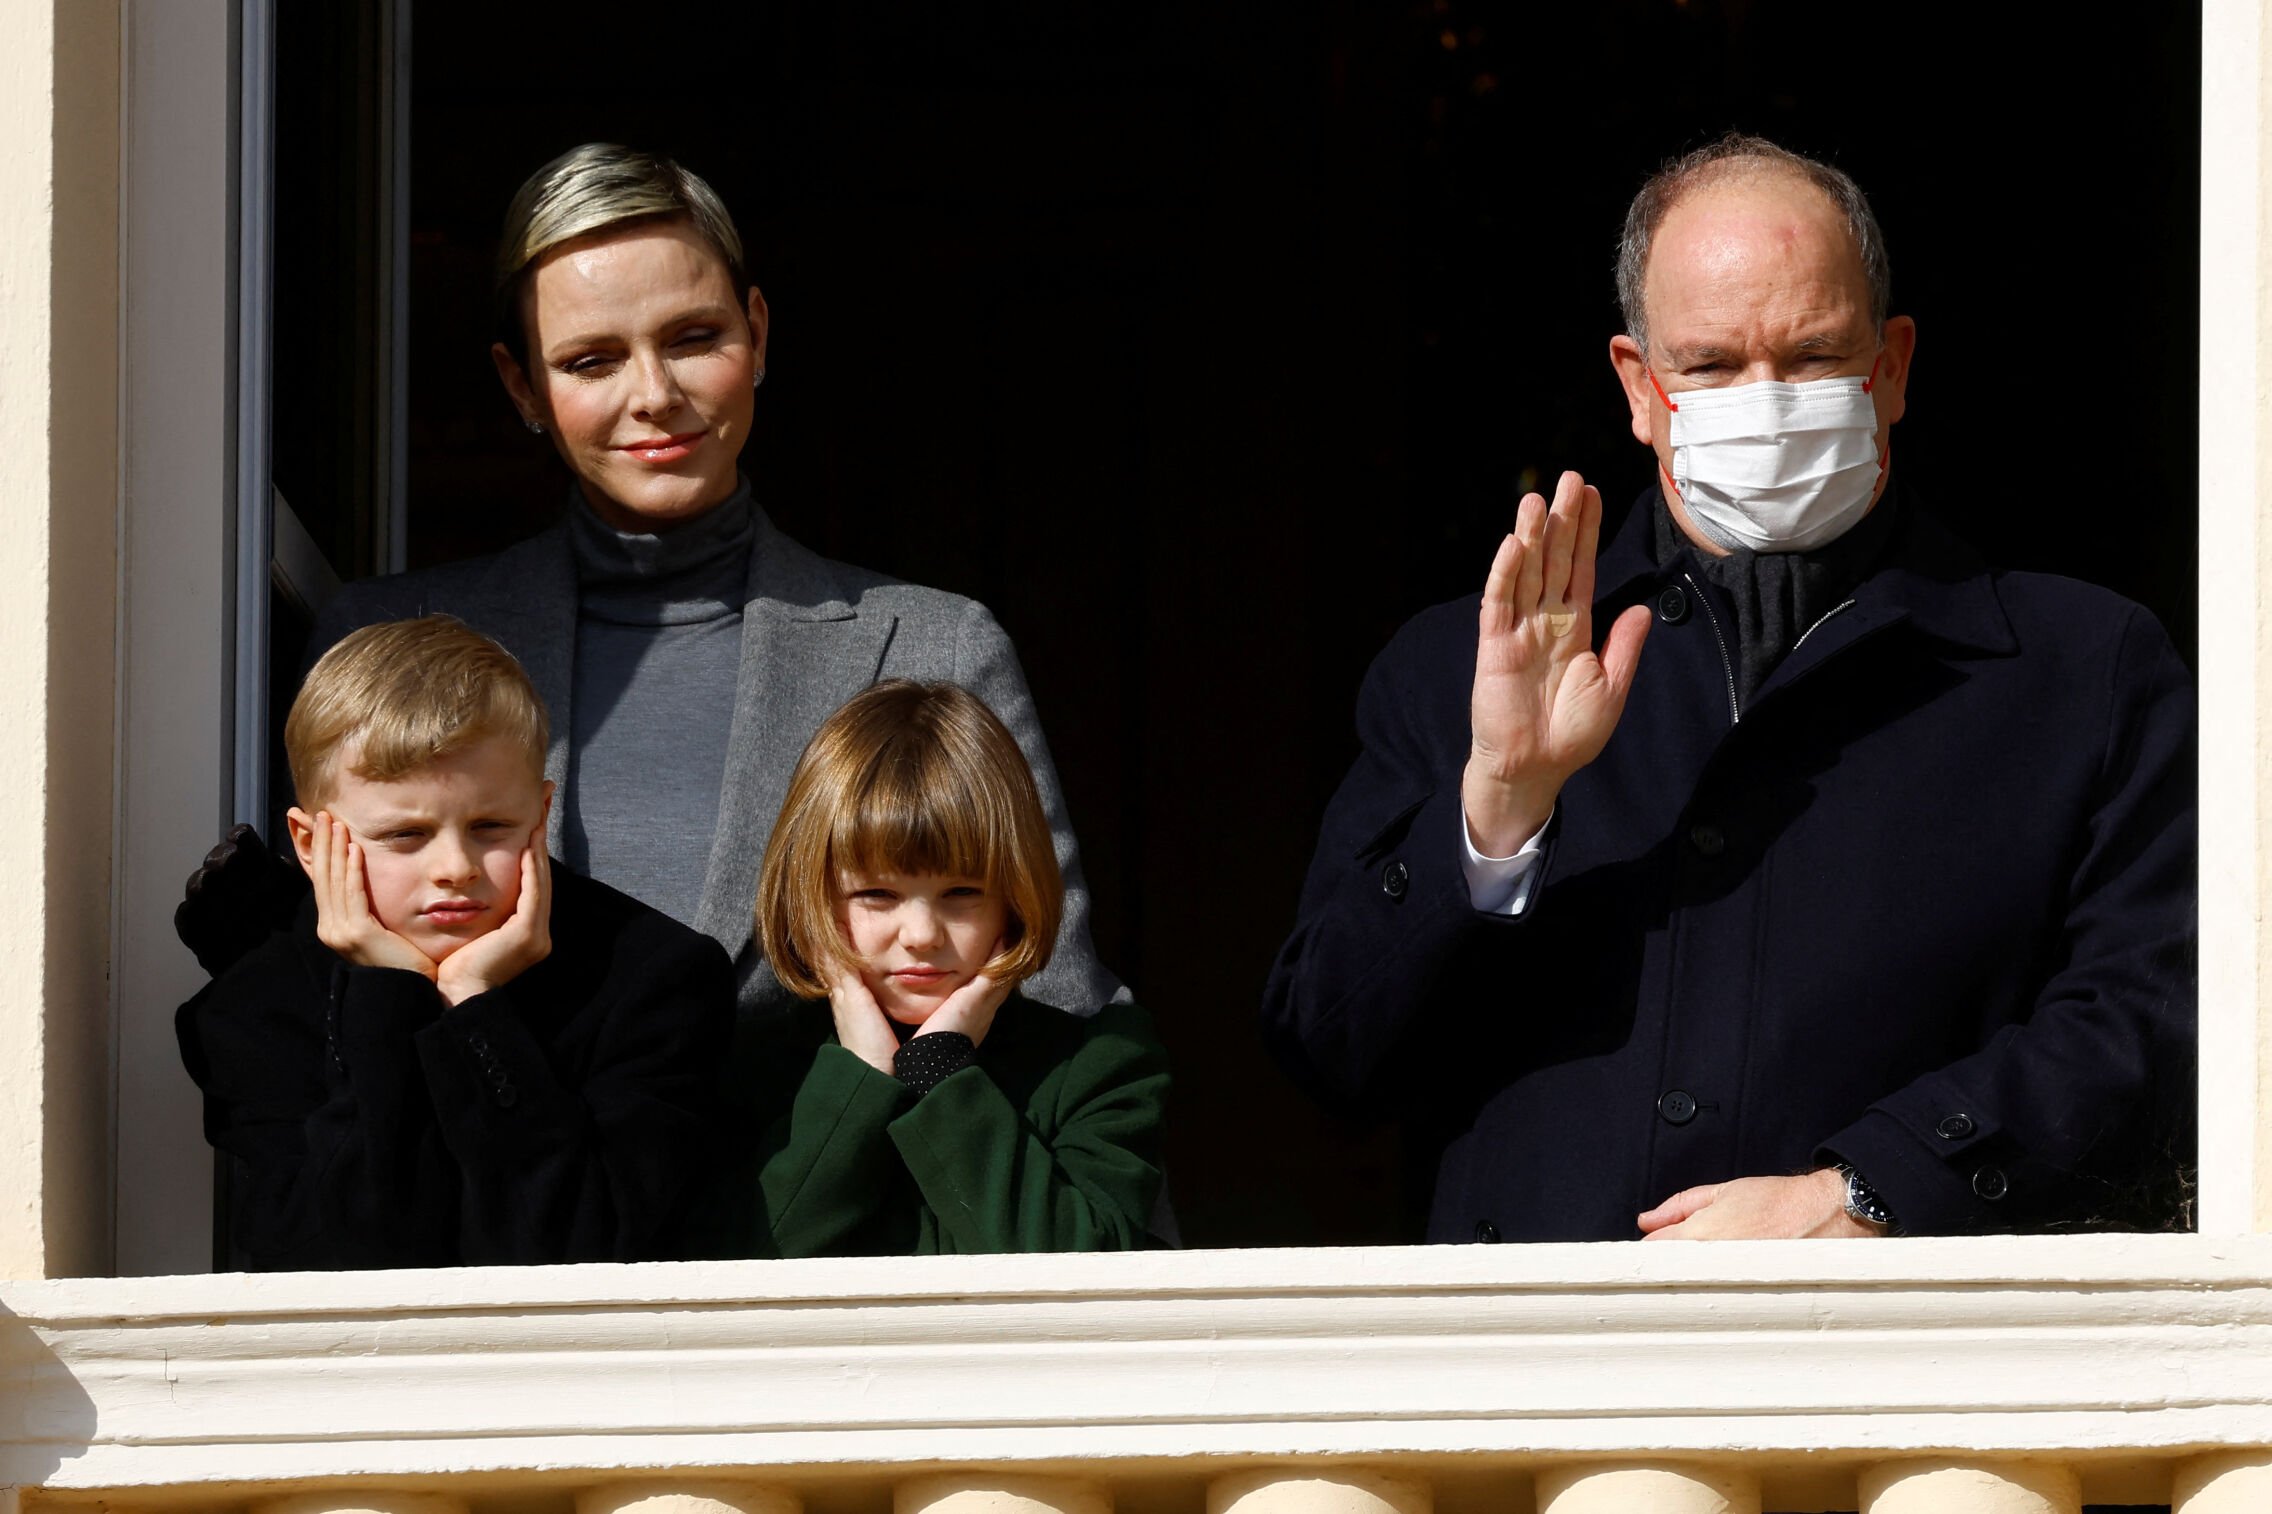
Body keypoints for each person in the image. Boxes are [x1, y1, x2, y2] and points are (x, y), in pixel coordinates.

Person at [1261, 134, 2196, 1243]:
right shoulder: (1460, 667)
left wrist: (1871, 1192)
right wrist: (1495, 810)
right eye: (1709, 365)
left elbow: (2158, 1014)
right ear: (1639, 386)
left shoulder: (2078, 669)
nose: (1768, 400)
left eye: (1813, 355)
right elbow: (1327, 1052)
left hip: (1911, 1338)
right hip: (1537, 1344)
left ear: (1892, 365)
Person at [278, 142, 1118, 1024]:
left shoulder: (935, 647)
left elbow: (1057, 1003)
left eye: (693, 339)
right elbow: (300, 1004)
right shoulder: (381, 637)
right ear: (521, 386)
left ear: (757, 333)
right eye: (591, 361)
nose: (654, 394)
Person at [176, 616, 735, 1270]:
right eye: (405, 836)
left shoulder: (655, 979)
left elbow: (581, 1251)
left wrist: (474, 1007)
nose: (455, 867)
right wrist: (389, 997)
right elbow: (332, 1263)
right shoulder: (258, 1006)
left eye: (491, 826)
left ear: (541, 813)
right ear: (310, 842)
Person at [692, 679, 1167, 1257]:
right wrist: (860, 1079)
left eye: (962, 892)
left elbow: (1080, 1272)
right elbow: (731, 1274)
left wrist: (939, 1070)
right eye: (877, 894)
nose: (921, 935)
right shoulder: (742, 1067)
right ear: (811, 895)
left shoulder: (1099, 1064)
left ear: (1015, 898)